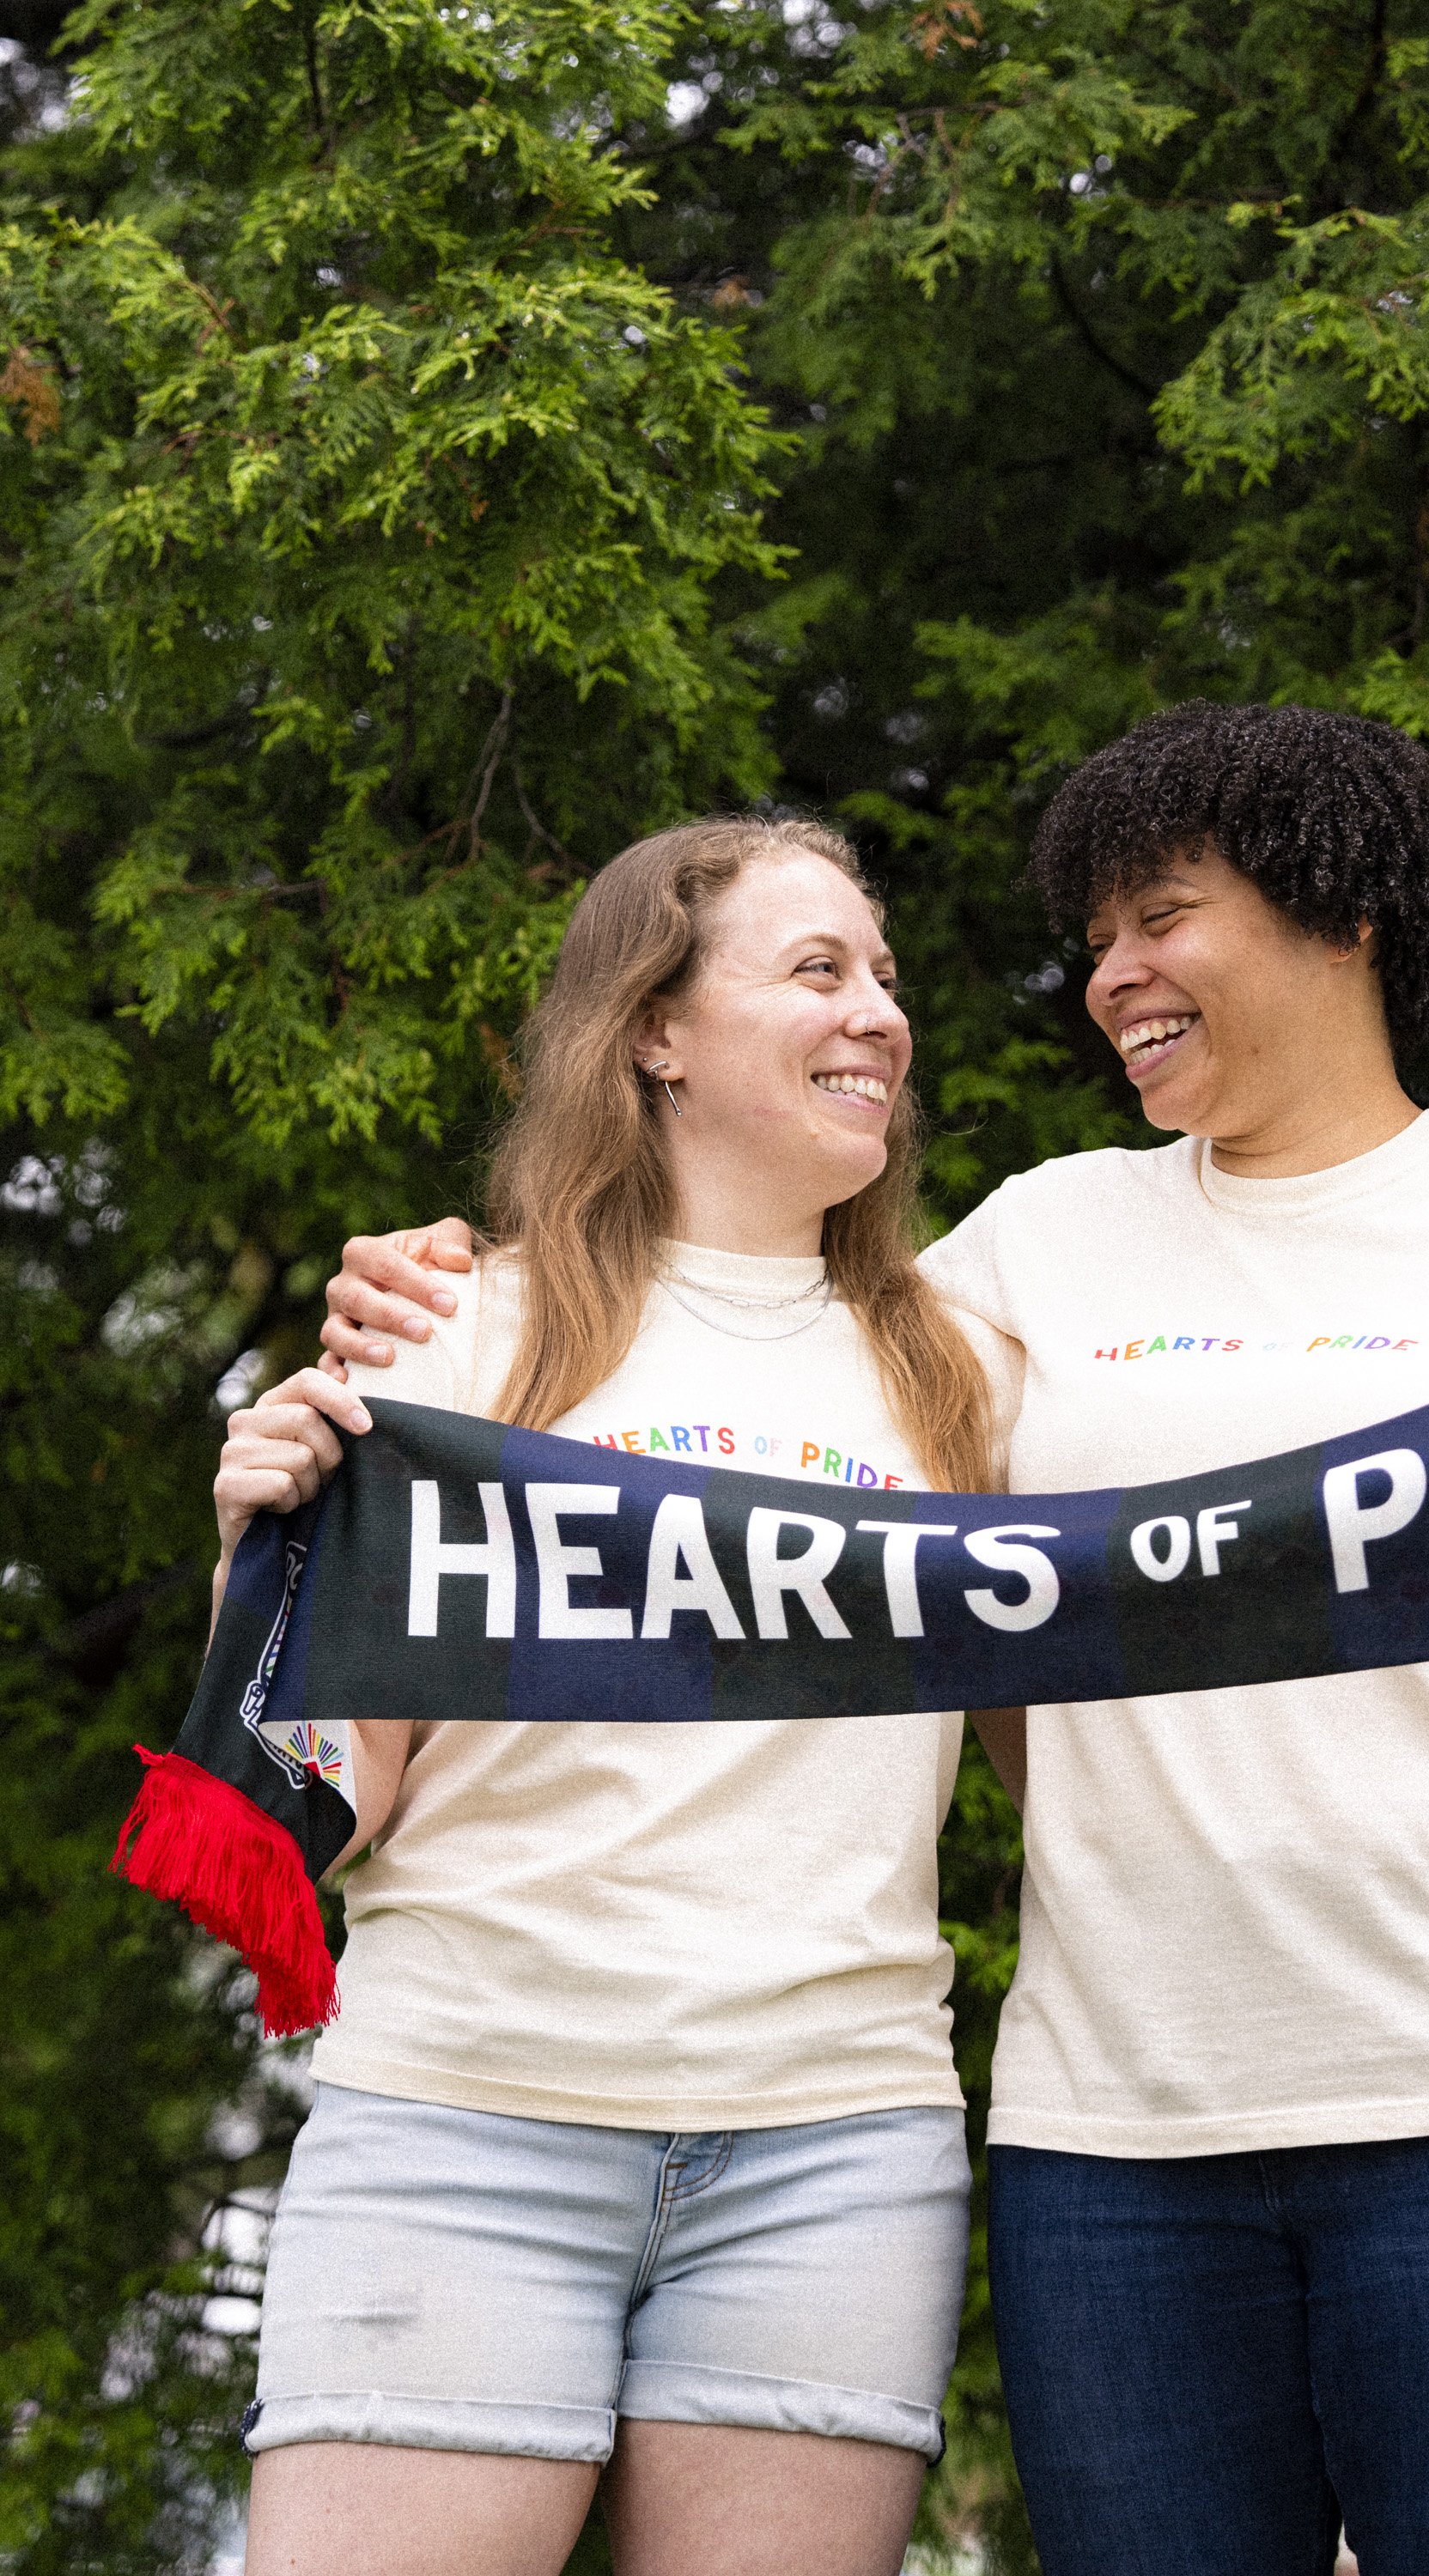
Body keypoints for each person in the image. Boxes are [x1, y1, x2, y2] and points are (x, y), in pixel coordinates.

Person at [326, 704, 1429, 2576]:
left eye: (1161, 918)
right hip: (1116, 2144)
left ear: (1347, 914)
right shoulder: (1027, 1253)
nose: (1111, 977)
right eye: (1097, 939)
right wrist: (453, 1305)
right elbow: (746, 1369)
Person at [212, 816, 1017, 2576]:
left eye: (885, 976)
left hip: (835, 2155)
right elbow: (328, 1807)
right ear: (656, 1029)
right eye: (818, 970)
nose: (879, 1013)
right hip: (464, 2121)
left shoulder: (969, 1366)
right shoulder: (451, 1335)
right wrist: (250, 1564)